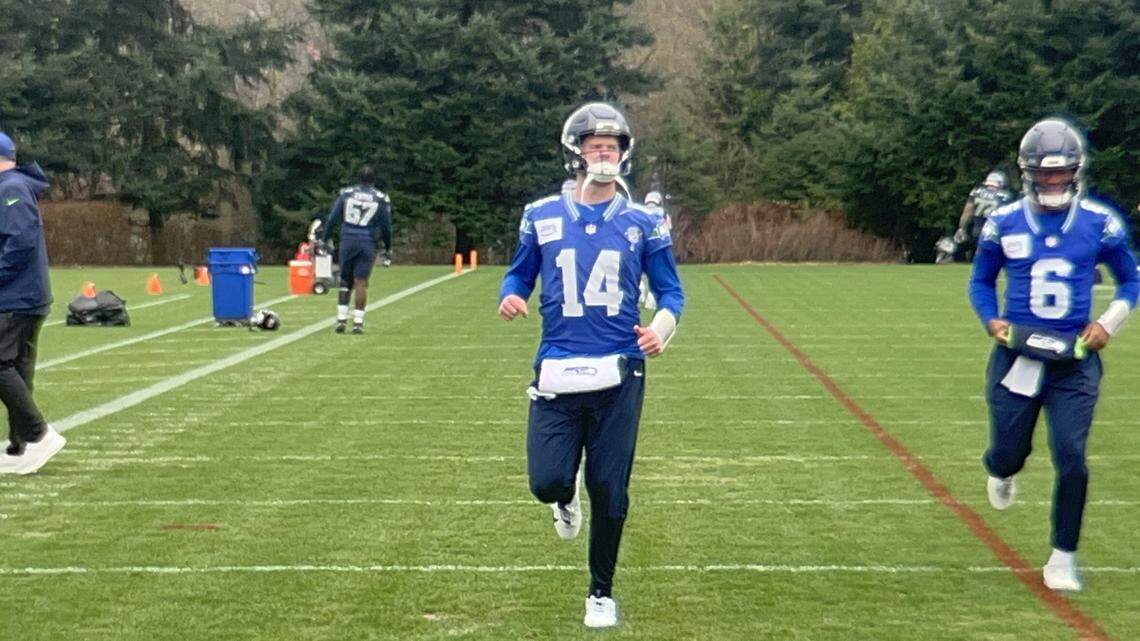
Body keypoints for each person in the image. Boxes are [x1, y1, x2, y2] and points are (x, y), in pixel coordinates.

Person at [498, 102, 685, 628]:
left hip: (620, 368)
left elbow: (671, 292)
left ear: (624, 155)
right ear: (576, 152)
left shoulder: (643, 221)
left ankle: (600, 591)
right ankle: (563, 499)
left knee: (610, 487)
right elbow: (518, 276)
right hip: (557, 365)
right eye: (596, 146)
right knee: (548, 481)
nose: (605, 154)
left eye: (613, 147)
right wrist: (510, 296)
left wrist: (660, 331)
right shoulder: (542, 215)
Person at [968, 118, 1139, 592]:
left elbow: (1132, 279)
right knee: (1007, 454)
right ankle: (1001, 473)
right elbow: (981, 281)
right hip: (1017, 354)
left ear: (1076, 172)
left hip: (1075, 360)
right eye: (1044, 173)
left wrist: (1108, 324)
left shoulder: (1099, 222)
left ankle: (1063, 554)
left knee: (1071, 456)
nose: (1052, 181)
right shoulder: (1003, 221)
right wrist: (991, 320)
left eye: (1061, 172)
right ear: (1027, 174)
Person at [0, 131, 65, 475]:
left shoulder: (9, 189)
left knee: (1, 364)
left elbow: (20, 242)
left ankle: (37, 435)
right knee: (17, 369)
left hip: (15, 296)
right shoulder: (14, 187)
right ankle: (19, 448)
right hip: (26, 295)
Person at [321, 166, 392, 334]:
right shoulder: (381, 198)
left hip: (348, 239)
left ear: (358, 178)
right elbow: (386, 226)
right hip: (366, 241)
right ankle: (358, 322)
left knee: (345, 280)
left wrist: (325, 239)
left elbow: (332, 219)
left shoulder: (347, 193)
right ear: (373, 179)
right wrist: (388, 247)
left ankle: (341, 319)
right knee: (361, 282)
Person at [956, 170, 1015, 261]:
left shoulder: (977, 191)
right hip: (994, 225)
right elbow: (1006, 215)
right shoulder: (1004, 196)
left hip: (977, 225)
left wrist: (962, 227)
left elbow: (968, 211)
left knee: (980, 250)